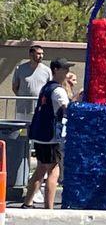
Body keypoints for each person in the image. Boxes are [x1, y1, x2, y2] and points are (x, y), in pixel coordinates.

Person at [22, 58, 73, 209]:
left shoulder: (46, 87)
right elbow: (66, 109)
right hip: (51, 136)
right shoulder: (58, 90)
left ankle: (28, 202)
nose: (67, 72)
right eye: (65, 68)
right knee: (54, 170)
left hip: (40, 134)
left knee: (41, 168)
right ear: (56, 70)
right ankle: (49, 208)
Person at [12, 45, 52, 120]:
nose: (41, 56)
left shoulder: (47, 70)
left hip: (39, 108)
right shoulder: (20, 69)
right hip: (23, 109)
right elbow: (15, 87)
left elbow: (49, 88)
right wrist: (23, 98)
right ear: (31, 54)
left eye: (42, 54)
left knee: (36, 131)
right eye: (38, 54)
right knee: (22, 130)